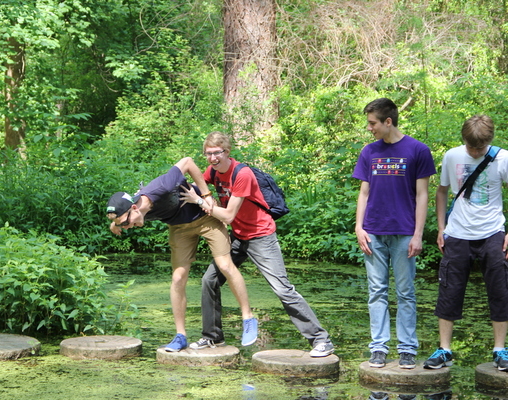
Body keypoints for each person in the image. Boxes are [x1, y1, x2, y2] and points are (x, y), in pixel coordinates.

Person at [179, 132, 335, 357]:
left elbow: (228, 215)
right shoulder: (213, 171)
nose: (212, 158)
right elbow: (196, 185)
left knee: (282, 289)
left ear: (227, 152)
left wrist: (200, 201)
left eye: (217, 153)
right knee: (209, 280)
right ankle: (213, 337)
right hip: (238, 236)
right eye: (208, 154)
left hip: (261, 236)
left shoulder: (242, 174)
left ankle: (321, 339)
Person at [106, 157, 258, 352]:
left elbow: (187, 162)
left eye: (127, 223)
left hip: (205, 217)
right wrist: (115, 224)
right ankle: (180, 336)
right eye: (124, 225)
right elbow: (121, 211)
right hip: (179, 228)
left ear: (134, 208)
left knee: (225, 266)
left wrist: (206, 195)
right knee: (178, 278)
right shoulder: (131, 210)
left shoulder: (162, 186)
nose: (128, 227)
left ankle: (248, 318)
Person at [352, 98, 436, 369]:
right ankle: (378, 347)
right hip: (373, 232)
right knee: (376, 292)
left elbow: (422, 195)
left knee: (405, 292)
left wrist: (418, 234)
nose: (369, 128)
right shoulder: (369, 152)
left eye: (372, 123)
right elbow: (364, 193)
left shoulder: (418, 150)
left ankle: (407, 349)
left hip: (404, 232)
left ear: (388, 121)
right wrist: (359, 227)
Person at [423, 115, 508, 371]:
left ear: (489, 141)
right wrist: (441, 228)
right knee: (449, 290)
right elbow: (441, 191)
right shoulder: (452, 156)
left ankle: (500, 350)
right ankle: (444, 349)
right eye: (471, 146)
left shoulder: (503, 158)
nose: (474, 152)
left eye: (480, 148)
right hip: (458, 233)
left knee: (500, 291)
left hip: (493, 233)